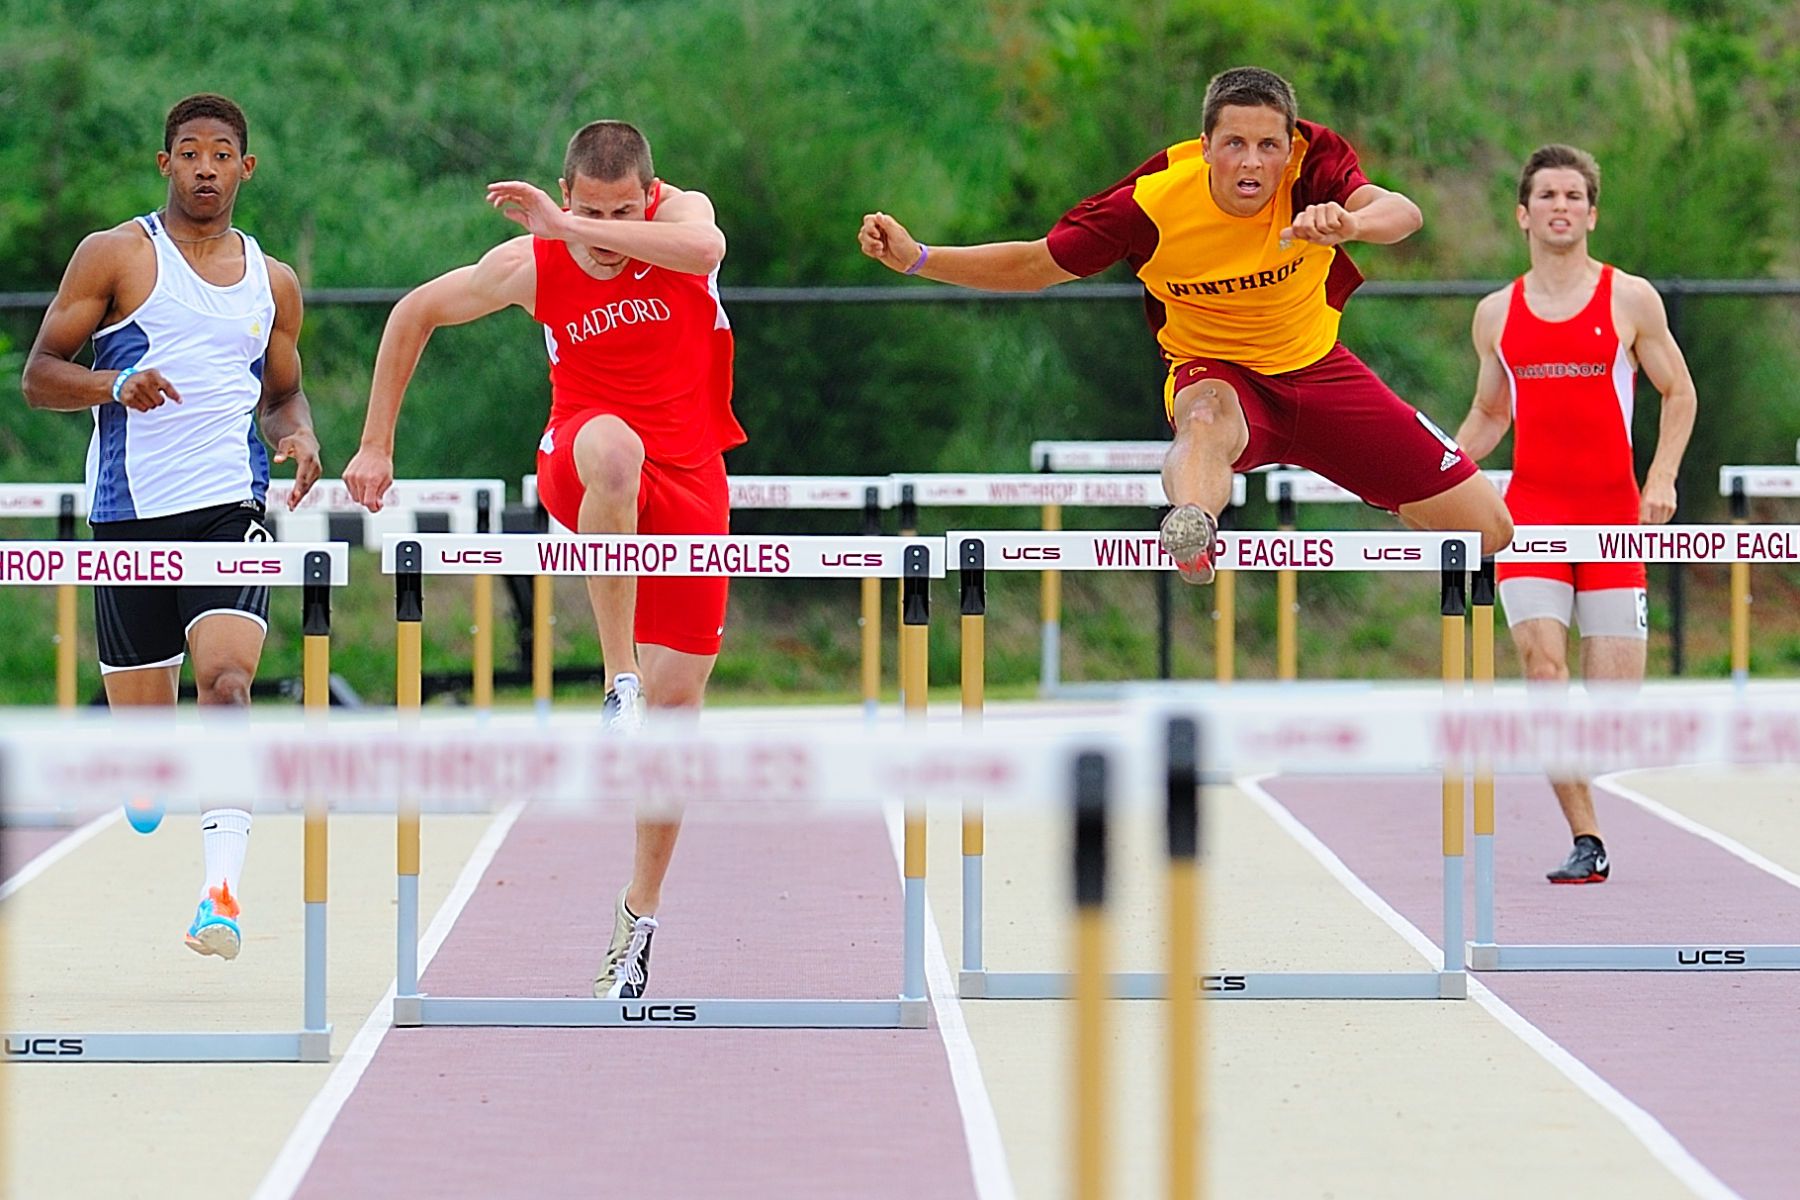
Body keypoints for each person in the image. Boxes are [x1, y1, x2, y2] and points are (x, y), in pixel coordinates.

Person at [342, 119, 743, 999]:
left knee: (682, 719)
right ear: (564, 197)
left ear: (651, 194)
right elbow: (415, 313)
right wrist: (376, 443)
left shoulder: (684, 225)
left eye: (620, 211)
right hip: (585, 455)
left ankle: (637, 917)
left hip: (693, 480)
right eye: (586, 211)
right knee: (613, 453)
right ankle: (616, 681)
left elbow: (706, 241)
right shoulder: (532, 263)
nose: (601, 232)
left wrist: (571, 229)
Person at [859, 65, 1512, 580]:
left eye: (1267, 147)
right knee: (1202, 420)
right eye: (1234, 145)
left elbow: (1402, 212)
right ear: (1205, 147)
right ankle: (1193, 527)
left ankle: (1388, 487)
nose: (1252, 163)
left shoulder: (1315, 165)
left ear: (1290, 148)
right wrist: (918, 257)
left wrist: (1352, 222)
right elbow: (1035, 265)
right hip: (1217, 375)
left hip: (1318, 372)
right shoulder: (1150, 202)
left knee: (1489, 531)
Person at [21, 93, 322, 957]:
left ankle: (219, 896)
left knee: (227, 687)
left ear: (244, 168)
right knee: (147, 761)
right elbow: (39, 377)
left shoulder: (273, 281)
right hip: (128, 520)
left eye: (220, 154)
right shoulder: (115, 255)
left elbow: (281, 390)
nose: (204, 168)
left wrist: (297, 431)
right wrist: (117, 385)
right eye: (188, 152)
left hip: (232, 513)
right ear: (165, 164)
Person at [1455, 144, 1696, 884]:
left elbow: (1679, 394)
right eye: (1547, 195)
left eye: (1573, 196)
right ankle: (1587, 837)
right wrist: (1432, 480)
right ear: (1523, 214)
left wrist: (1661, 478)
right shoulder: (1497, 312)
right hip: (1530, 517)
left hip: (1613, 516)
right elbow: (1491, 413)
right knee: (1542, 667)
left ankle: (1578, 774)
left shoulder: (1631, 299)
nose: (1561, 206)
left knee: (1613, 706)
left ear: (1591, 213)